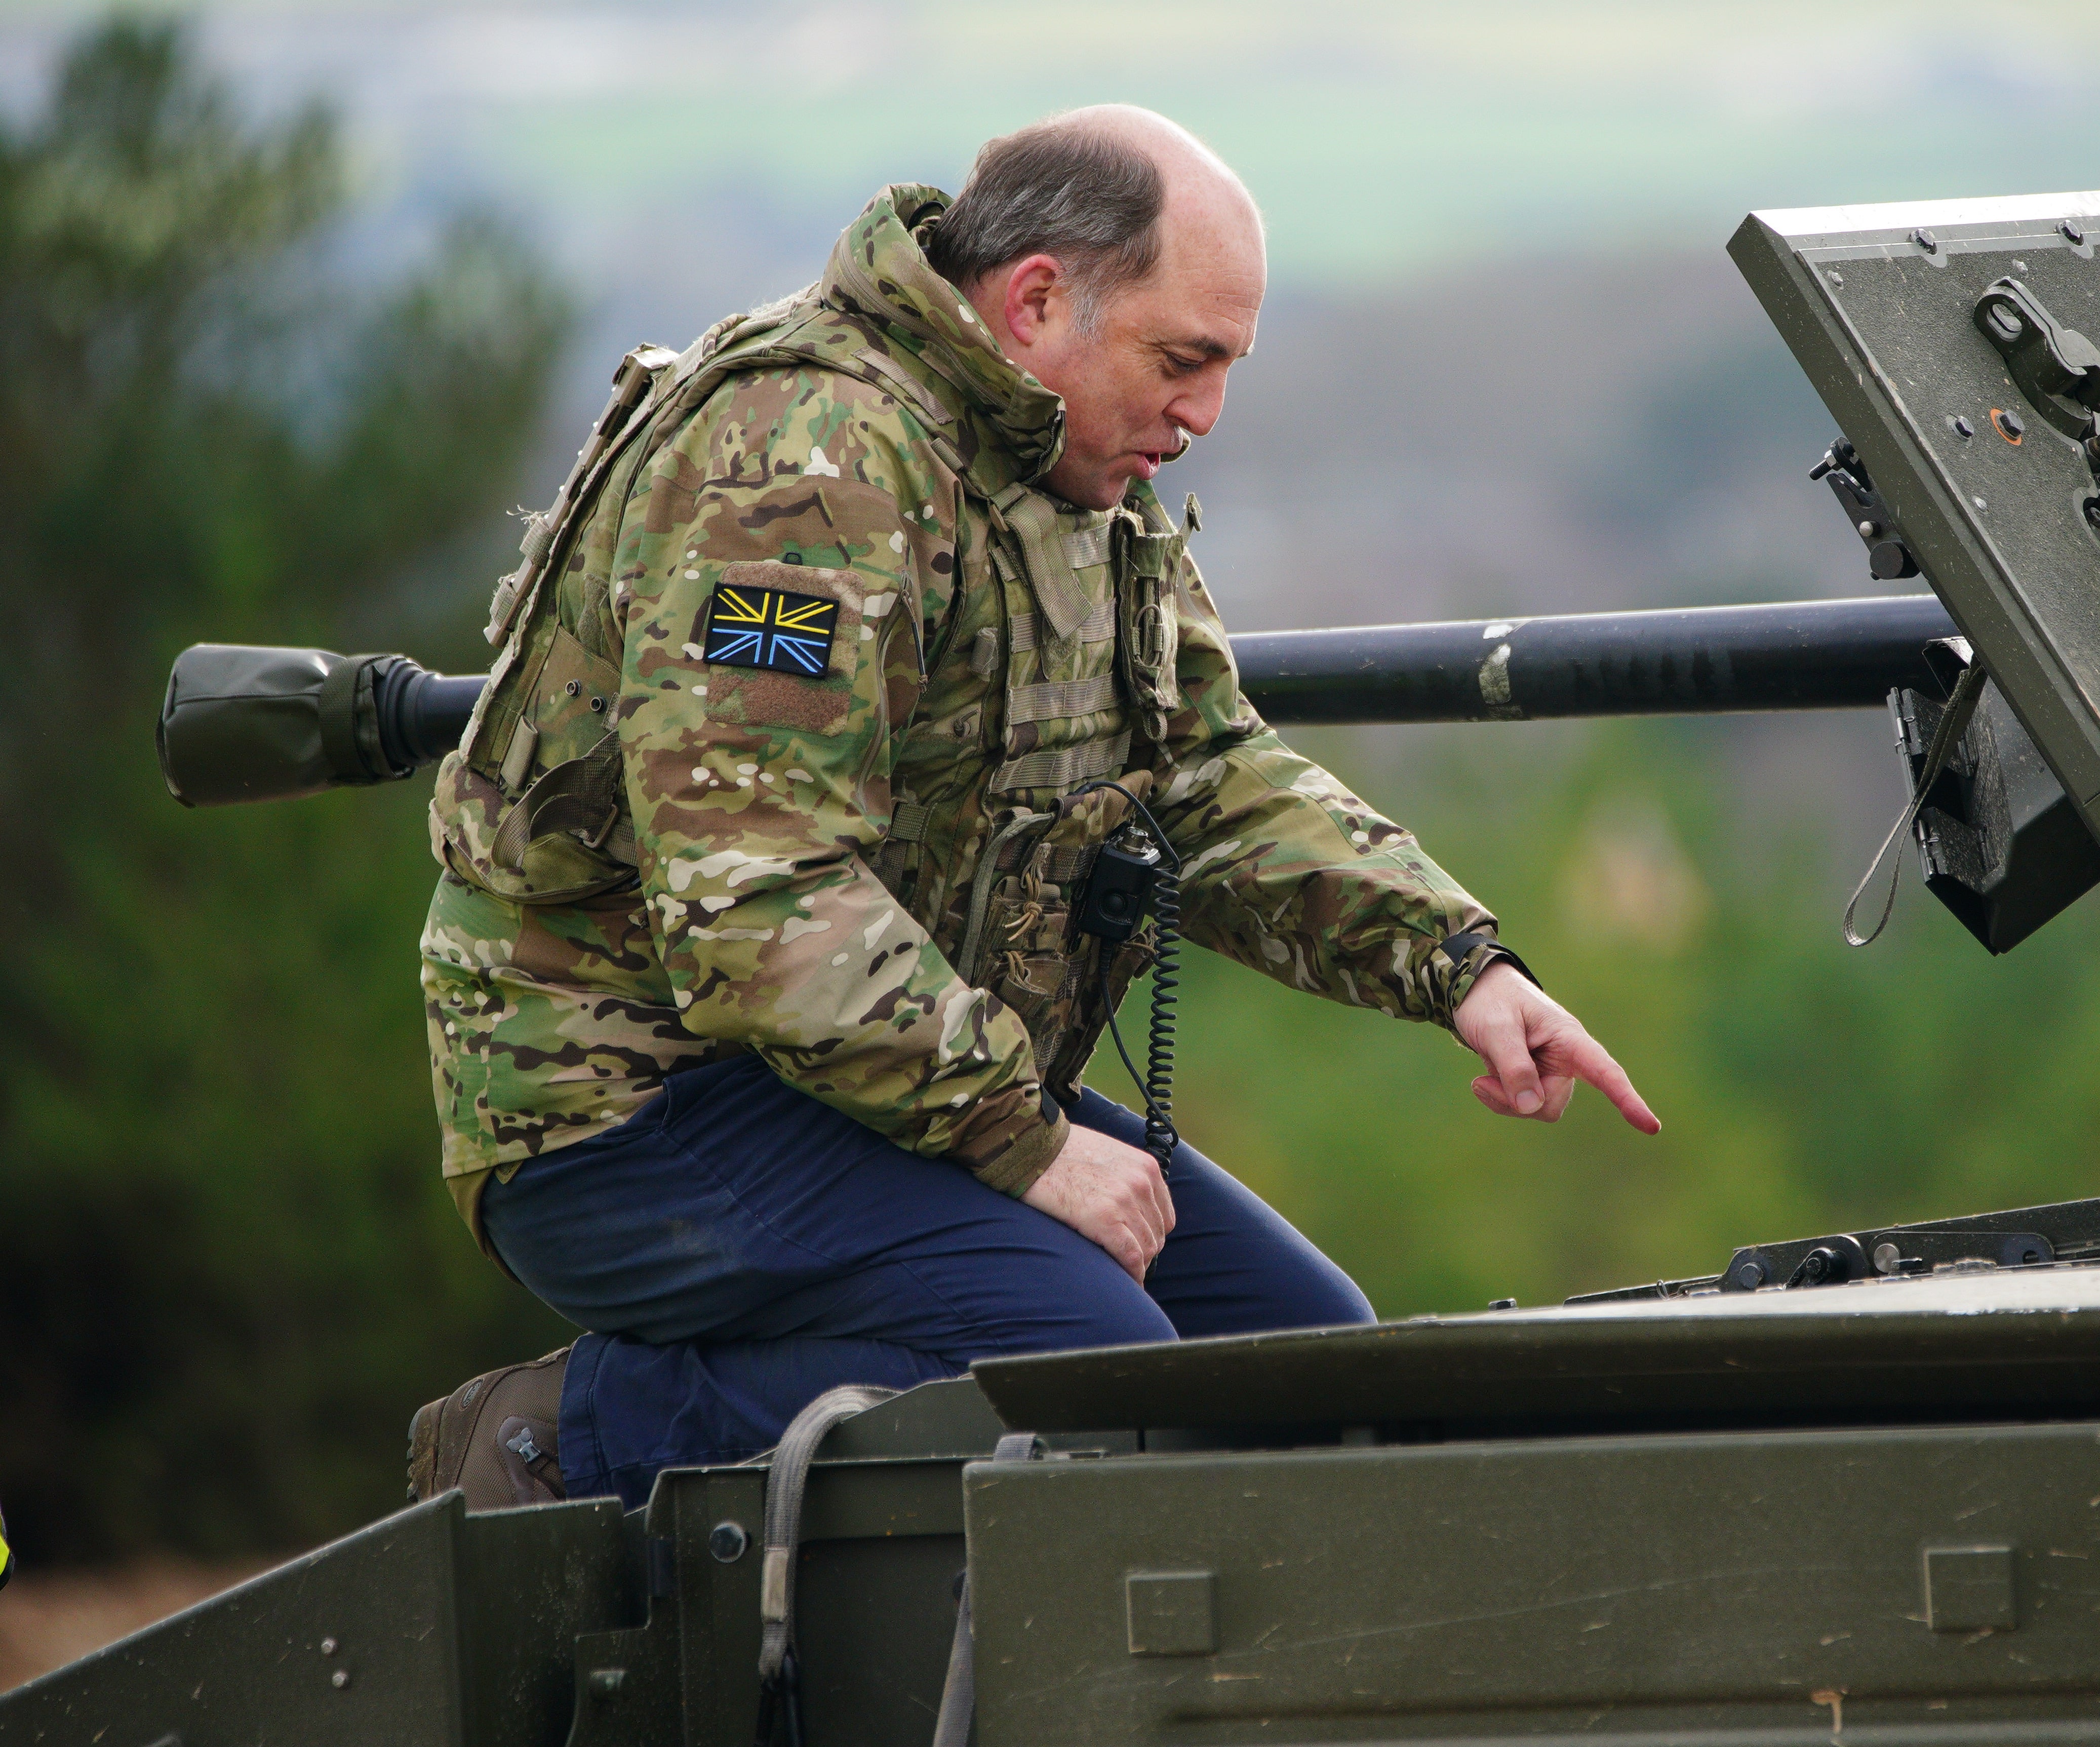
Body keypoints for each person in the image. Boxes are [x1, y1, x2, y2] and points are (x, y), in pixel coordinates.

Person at [406, 106, 1658, 1511]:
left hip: (870, 1088)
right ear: (1039, 297)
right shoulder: (805, 466)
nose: (1203, 418)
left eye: (1227, 369)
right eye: (1183, 361)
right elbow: (755, 898)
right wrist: (1033, 1144)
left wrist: (1459, 966)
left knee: (1303, 1362)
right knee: (1094, 1368)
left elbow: (1205, 771)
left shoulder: (1070, 471)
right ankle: (581, 1434)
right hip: (624, 1109)